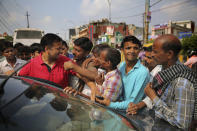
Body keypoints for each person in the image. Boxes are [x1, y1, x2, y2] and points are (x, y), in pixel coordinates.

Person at [144, 34, 197, 130]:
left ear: (169, 54)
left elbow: (181, 122)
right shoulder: (165, 74)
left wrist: (153, 97)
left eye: (155, 52)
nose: (151, 55)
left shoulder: (182, 82)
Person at [96, 35, 150, 110]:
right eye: (128, 48)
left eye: (135, 48)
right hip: (117, 112)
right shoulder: (121, 66)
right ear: (122, 50)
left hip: (131, 115)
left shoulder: (143, 72)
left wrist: (110, 104)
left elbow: (133, 102)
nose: (132, 51)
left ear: (139, 50)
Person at [127, 45, 162, 114]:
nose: (145, 59)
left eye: (149, 58)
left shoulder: (159, 74)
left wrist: (139, 105)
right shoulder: (146, 69)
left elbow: (153, 95)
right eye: (145, 56)